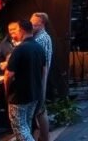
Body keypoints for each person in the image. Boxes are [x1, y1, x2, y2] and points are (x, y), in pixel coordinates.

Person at [6, 19, 47, 141]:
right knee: (27, 124)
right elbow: (44, 70)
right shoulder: (39, 48)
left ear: (22, 31)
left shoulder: (19, 49)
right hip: (34, 93)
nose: (15, 33)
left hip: (19, 95)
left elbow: (9, 74)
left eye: (17, 30)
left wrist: (7, 90)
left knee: (20, 127)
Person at [29, 12, 53, 141]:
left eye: (34, 24)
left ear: (42, 24)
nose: (31, 26)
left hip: (39, 76)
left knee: (40, 109)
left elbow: (42, 63)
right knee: (40, 109)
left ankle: (44, 137)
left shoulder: (41, 39)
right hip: (40, 75)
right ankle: (43, 136)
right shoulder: (41, 37)